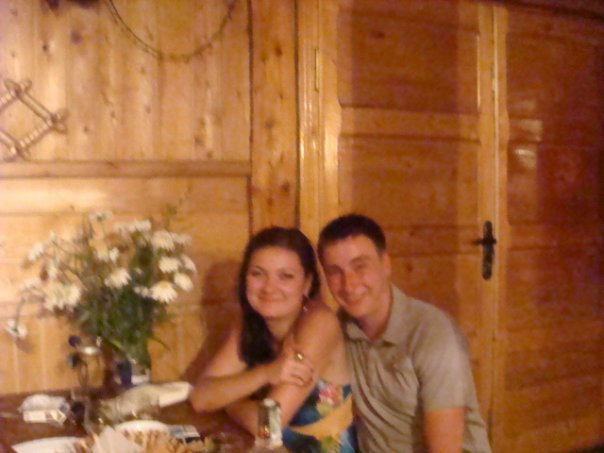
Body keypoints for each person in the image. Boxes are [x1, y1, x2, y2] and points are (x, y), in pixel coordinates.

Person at [317, 214, 491, 453]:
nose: (349, 284)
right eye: (335, 272)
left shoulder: (432, 333)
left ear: (386, 264)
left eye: (360, 266)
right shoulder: (338, 329)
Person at [190, 226, 358, 452]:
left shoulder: (319, 324)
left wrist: (229, 399)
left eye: (285, 276)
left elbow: (267, 426)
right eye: (258, 273)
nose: (269, 287)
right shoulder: (251, 322)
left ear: (307, 284)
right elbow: (200, 397)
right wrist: (266, 374)